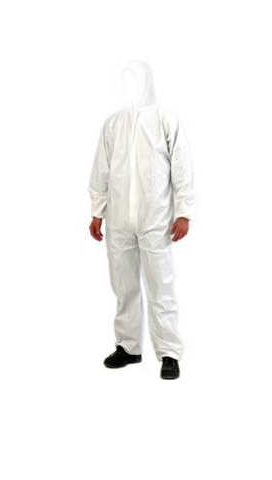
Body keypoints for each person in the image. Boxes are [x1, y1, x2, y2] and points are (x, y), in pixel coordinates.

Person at [88, 60, 194, 380]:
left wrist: (183, 211)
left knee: (161, 286)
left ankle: (169, 353)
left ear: (147, 82)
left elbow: (182, 168)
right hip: (119, 219)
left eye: (135, 81)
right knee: (124, 286)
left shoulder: (165, 120)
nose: (131, 87)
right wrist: (97, 211)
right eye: (126, 81)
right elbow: (101, 169)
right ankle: (128, 346)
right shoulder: (112, 124)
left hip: (156, 219)